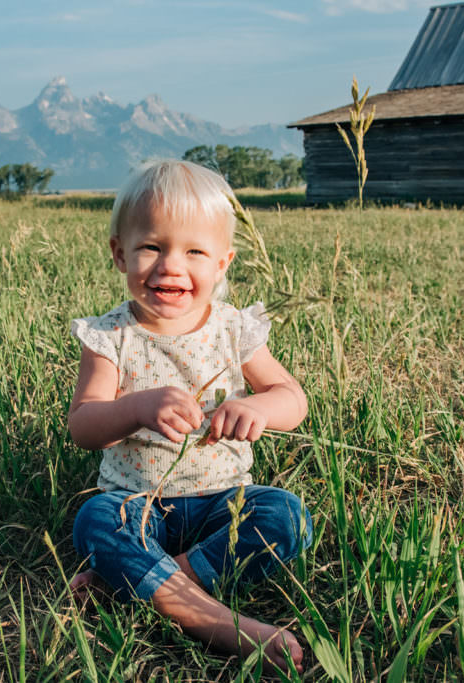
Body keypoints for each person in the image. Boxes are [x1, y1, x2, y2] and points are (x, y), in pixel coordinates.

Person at [68, 159, 312, 675]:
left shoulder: (233, 329)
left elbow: (293, 397)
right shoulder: (112, 336)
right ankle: (217, 622)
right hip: (139, 503)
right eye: (152, 246)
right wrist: (135, 407)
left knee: (285, 516)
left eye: (194, 251)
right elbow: (83, 425)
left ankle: (150, 580)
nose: (170, 266)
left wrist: (258, 406)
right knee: (95, 520)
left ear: (222, 263)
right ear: (120, 254)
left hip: (223, 503)